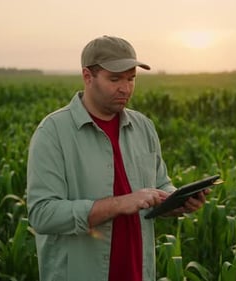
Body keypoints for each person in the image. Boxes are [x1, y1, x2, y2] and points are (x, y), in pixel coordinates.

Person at [26, 35, 209, 281]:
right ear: (87, 77)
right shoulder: (53, 132)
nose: (126, 88)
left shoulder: (143, 126)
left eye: (131, 78)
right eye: (115, 79)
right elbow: (42, 214)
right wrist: (119, 203)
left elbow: (160, 185)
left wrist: (175, 202)